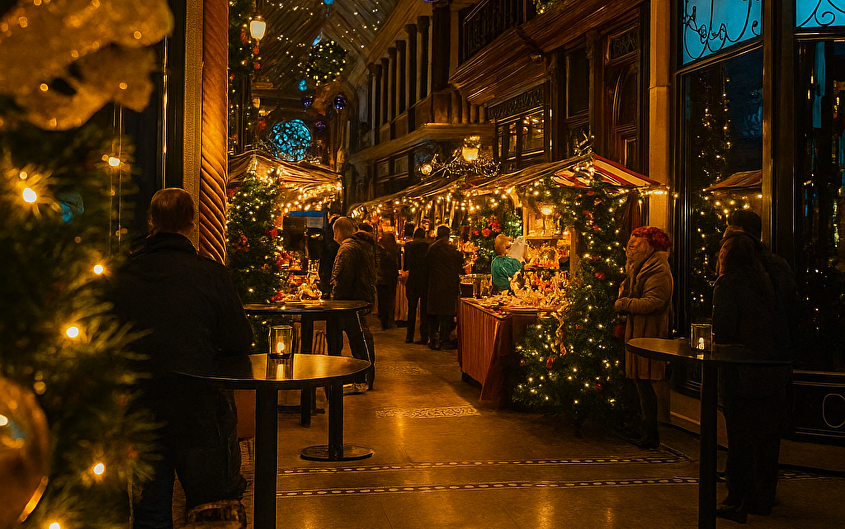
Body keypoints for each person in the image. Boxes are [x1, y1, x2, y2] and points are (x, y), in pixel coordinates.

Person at [110, 188, 253, 527]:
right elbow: (239, 339)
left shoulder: (122, 273)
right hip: (199, 405)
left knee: (150, 504)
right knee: (210, 506)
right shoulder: (210, 274)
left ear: (151, 222)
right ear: (192, 223)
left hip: (141, 404)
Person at [713, 229, 791, 523]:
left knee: (740, 437)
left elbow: (723, 329)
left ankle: (737, 499)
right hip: (773, 369)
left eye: (722, 253)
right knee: (767, 438)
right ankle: (763, 496)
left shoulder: (729, 283)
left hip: (742, 373)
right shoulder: (768, 277)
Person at [614, 226, 673, 450]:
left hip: (649, 333)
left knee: (646, 383)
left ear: (649, 246)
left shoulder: (658, 270)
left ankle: (651, 432)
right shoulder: (638, 268)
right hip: (637, 331)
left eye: (635, 245)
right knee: (640, 382)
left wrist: (624, 303)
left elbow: (655, 301)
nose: (629, 249)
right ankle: (644, 428)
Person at [330, 217, 377, 390]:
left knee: (359, 339)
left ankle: (362, 379)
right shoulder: (363, 245)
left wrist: (335, 299)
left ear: (338, 232)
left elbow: (343, 278)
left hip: (351, 302)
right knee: (361, 338)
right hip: (361, 298)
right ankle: (364, 377)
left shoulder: (347, 248)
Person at [425, 225, 463, 350]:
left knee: (434, 314)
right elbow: (459, 266)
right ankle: (444, 339)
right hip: (449, 286)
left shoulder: (432, 249)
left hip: (435, 285)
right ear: (448, 236)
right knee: (446, 315)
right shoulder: (453, 251)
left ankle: (433, 338)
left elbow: (427, 266)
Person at [403, 228, 430, 344]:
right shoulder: (429, 246)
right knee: (424, 309)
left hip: (413, 278)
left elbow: (406, 264)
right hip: (425, 279)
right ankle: (423, 336)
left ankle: (409, 335)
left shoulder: (408, 246)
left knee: (412, 308)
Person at [376, 232, 400, 330]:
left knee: (382, 300)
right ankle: (388, 319)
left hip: (381, 279)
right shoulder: (394, 251)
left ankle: (383, 319)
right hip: (390, 278)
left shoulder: (380, 251)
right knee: (390, 299)